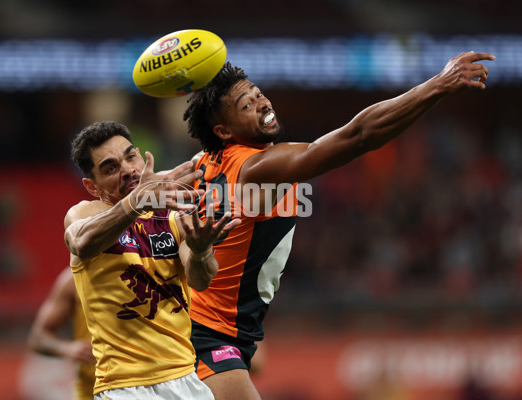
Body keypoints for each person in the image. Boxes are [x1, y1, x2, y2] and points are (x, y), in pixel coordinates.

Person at [182, 51, 495, 399]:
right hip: (207, 333)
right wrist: (437, 86)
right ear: (223, 130)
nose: (261, 102)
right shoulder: (258, 169)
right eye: (246, 104)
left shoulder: (202, 163)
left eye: (257, 93)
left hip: (209, 326)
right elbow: (358, 136)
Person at [63, 121, 240, 400]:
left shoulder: (171, 218)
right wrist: (136, 203)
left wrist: (201, 248)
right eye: (111, 168)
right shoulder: (85, 213)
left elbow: (200, 279)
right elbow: (81, 242)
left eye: (130, 156)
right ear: (92, 186)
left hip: (185, 378)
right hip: (124, 386)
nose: (128, 170)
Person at [27, 267, 95, 400]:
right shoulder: (74, 278)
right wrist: (68, 349)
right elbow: (37, 337)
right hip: (90, 390)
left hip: (141, 384)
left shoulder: (143, 271)